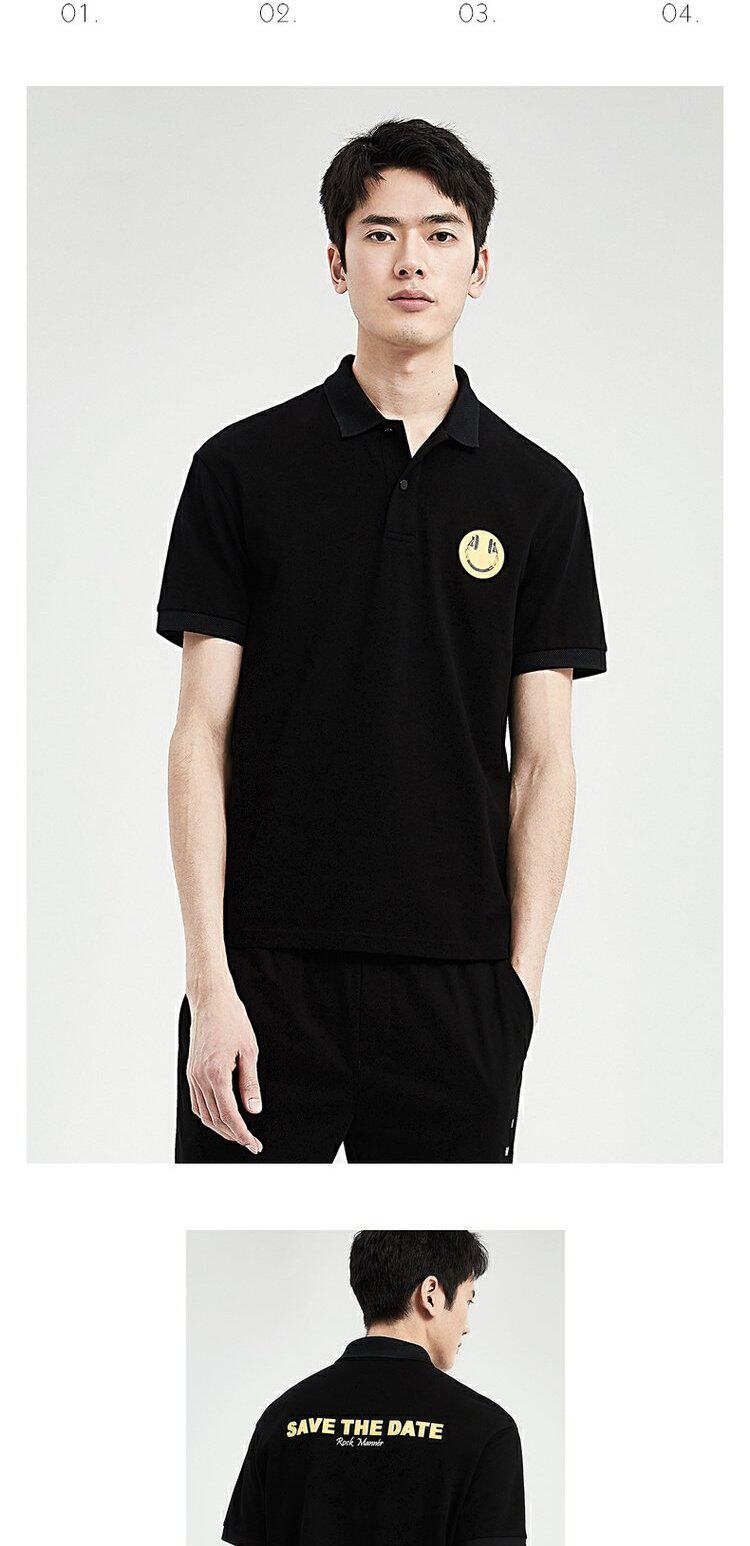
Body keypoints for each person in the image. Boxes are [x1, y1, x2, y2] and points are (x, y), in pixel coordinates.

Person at [157, 118, 606, 1163]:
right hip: (265, 976)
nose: (411, 260)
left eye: (441, 235)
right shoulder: (241, 469)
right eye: (380, 233)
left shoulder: (540, 496)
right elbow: (199, 735)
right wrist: (210, 981)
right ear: (336, 262)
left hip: (458, 987)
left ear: (478, 268)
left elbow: (544, 760)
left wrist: (517, 993)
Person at [222, 1231, 526, 1546]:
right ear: (431, 1294)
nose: (466, 1325)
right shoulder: (485, 1429)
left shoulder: (282, 1418)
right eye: (468, 1300)